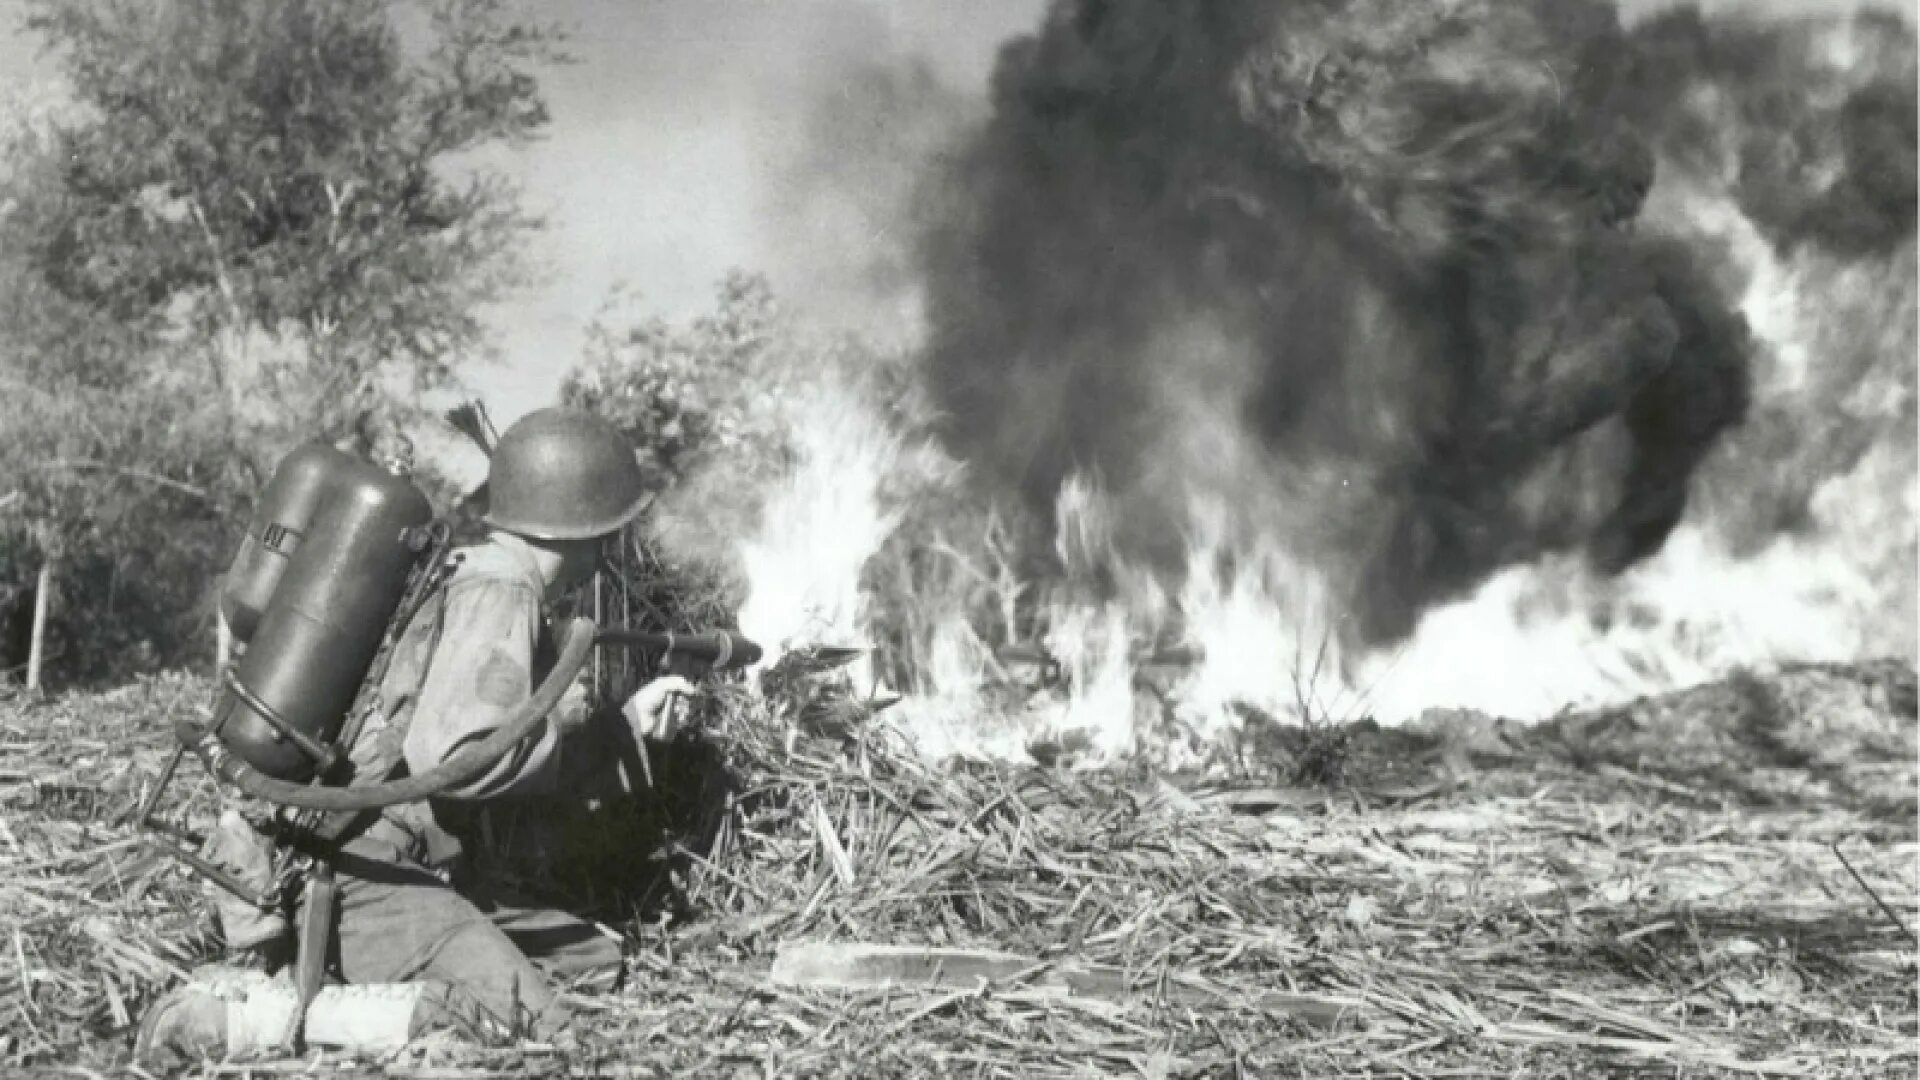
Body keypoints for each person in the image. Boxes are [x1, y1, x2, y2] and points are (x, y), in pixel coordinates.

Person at [138, 408, 695, 1061]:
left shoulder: (471, 566)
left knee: (595, 960)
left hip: (391, 856)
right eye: (613, 528)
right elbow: (459, 758)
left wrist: (619, 735)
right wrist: (616, 730)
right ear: (588, 527)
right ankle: (251, 1020)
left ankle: (370, 971)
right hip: (358, 873)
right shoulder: (501, 590)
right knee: (530, 1024)